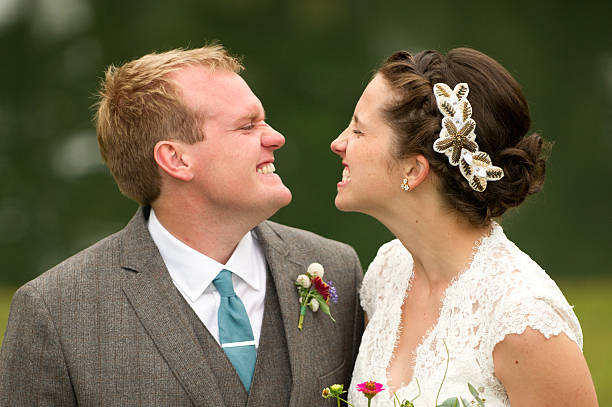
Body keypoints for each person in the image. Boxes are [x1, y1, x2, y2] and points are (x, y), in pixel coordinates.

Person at [0, 44, 364, 406]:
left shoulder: (337, 269)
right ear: (176, 159)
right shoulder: (56, 311)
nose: (275, 137)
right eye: (247, 125)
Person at [331, 48, 598, 406]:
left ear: (413, 170)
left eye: (359, 130)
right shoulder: (387, 272)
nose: (339, 143)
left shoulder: (524, 320)